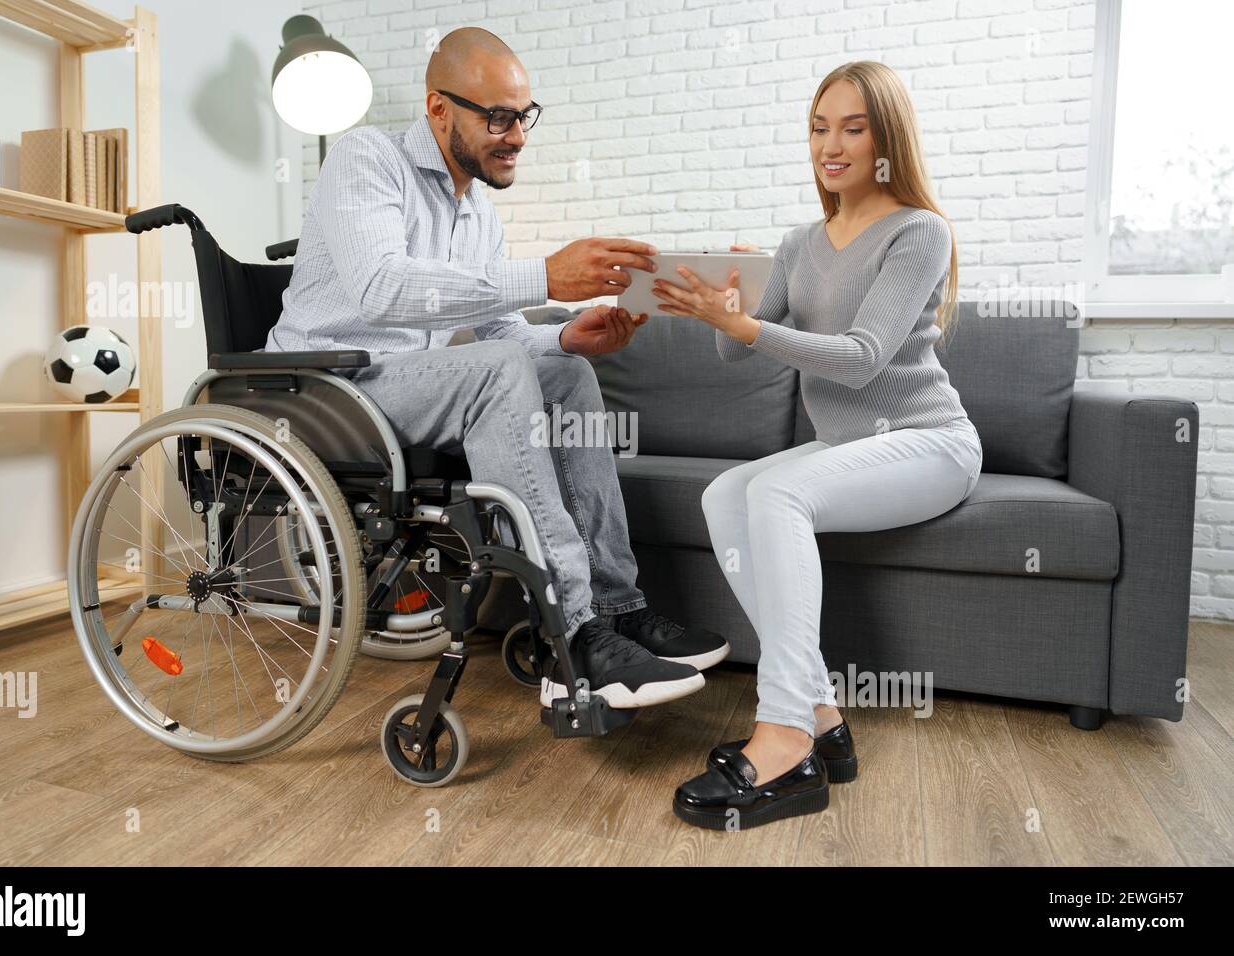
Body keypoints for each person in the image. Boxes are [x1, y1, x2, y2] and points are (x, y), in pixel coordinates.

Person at [265, 27, 729, 711]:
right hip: (331, 389)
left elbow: (503, 333)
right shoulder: (367, 158)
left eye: (524, 116)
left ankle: (617, 609)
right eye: (499, 116)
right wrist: (544, 275)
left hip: (402, 387)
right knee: (493, 371)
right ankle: (570, 636)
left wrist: (570, 338)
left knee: (564, 376)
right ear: (438, 109)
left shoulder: (476, 208)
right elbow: (383, 288)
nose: (517, 135)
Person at [651, 61, 983, 830]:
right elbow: (740, 354)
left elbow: (865, 355)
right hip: (846, 442)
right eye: (818, 126)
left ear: (887, 141)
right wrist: (725, 310)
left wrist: (748, 324)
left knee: (777, 490)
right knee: (723, 492)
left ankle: (785, 735)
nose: (830, 145)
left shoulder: (919, 231)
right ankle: (823, 712)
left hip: (928, 441)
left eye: (853, 128)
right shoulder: (800, 241)